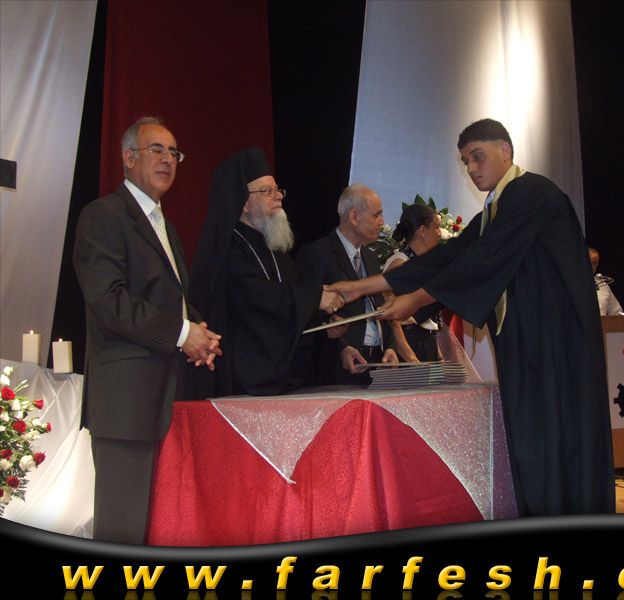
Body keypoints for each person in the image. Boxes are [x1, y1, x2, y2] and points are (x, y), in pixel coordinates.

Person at [328, 118, 615, 516]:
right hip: (527, 344)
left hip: (557, 345)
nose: (472, 168)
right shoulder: (496, 209)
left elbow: (481, 261)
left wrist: (415, 299)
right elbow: (449, 256)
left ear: (506, 151)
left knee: (557, 442)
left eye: (478, 157)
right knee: (534, 442)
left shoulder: (532, 192)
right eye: (466, 162)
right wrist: (359, 287)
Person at [73, 116, 222, 543]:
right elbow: (109, 302)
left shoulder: (163, 224)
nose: (168, 159)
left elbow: (169, 299)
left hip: (164, 397)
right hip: (126, 402)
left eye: (174, 152)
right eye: (156, 149)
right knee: (122, 528)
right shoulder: (103, 215)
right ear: (128, 157)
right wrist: (182, 334)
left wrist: (199, 332)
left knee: (156, 525)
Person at [188, 147, 344, 398]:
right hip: (242, 382)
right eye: (267, 191)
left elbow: (288, 304)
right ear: (244, 202)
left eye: (277, 189)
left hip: (288, 382)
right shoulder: (227, 251)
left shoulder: (276, 250)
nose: (279, 196)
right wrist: (315, 298)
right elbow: (258, 298)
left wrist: (324, 323)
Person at [296, 184, 398, 385]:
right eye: (376, 215)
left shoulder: (370, 257)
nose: (382, 221)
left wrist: (390, 346)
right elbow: (308, 311)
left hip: (377, 363)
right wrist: (341, 346)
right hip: (338, 367)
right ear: (354, 216)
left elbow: (380, 308)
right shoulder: (317, 254)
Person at [383, 203, 444, 362]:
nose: (440, 233)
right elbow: (390, 318)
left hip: (426, 341)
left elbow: (427, 319)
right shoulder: (400, 263)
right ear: (422, 230)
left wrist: (437, 353)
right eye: (437, 227)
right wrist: (410, 357)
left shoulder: (422, 264)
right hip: (408, 343)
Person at [588, 246, 624, 316]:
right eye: (591, 263)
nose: (593, 266)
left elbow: (616, 313)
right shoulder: (572, 286)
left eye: (595, 263)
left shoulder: (602, 285)